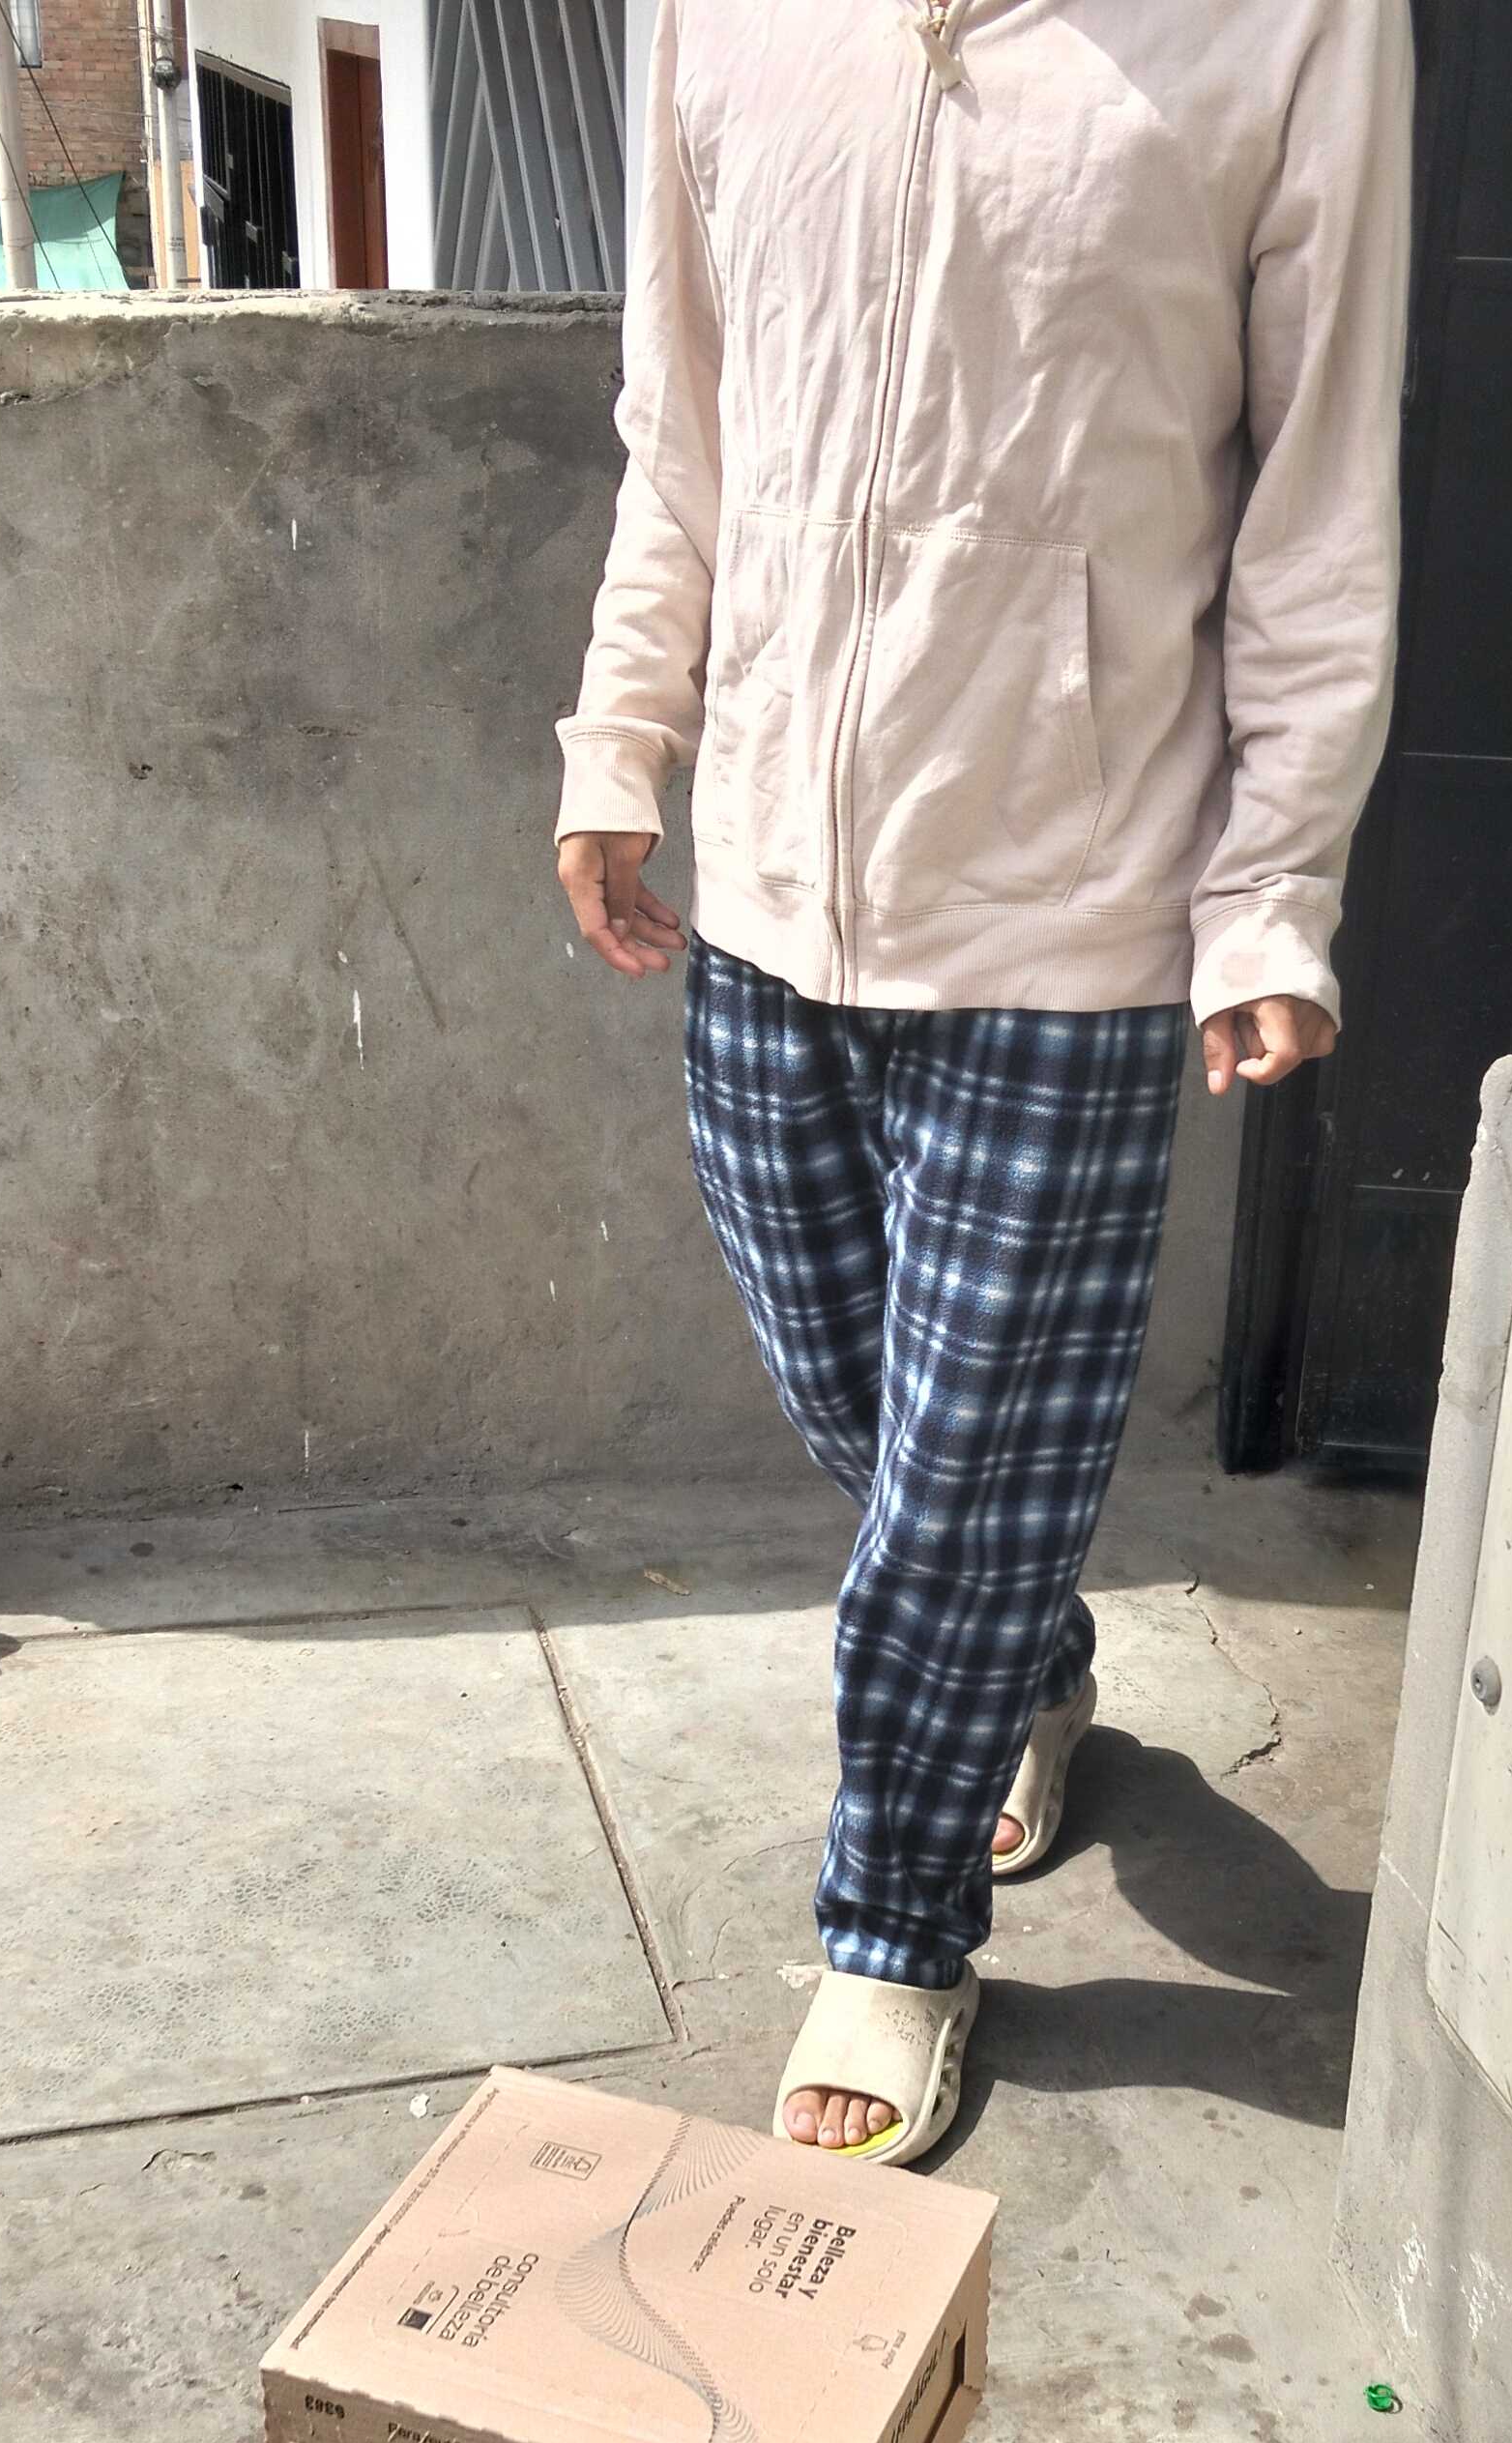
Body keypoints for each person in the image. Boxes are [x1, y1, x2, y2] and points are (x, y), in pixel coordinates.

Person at [554, 0, 1412, 2164]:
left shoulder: (1292, 25)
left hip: (1073, 908)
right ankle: (1026, 1664)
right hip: (769, 878)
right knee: (870, 1411)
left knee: (953, 1493)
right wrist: (624, 731)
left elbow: (1318, 493)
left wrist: (1272, 888)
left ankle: (894, 1930)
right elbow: (683, 421)